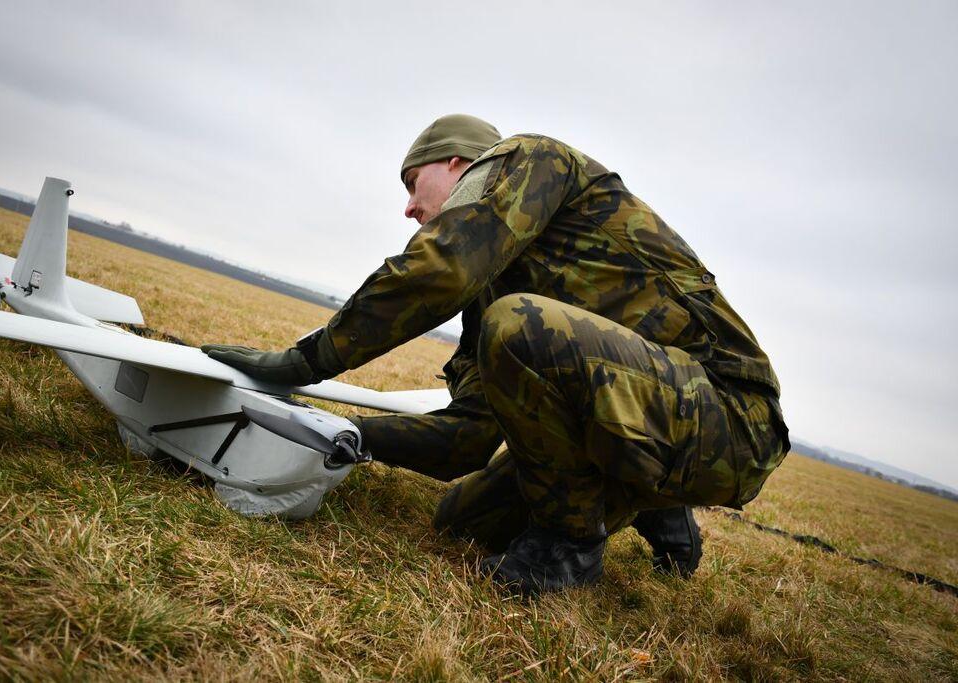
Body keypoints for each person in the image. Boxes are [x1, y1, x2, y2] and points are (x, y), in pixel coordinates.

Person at [202, 114, 790, 593]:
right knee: (462, 521)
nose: (408, 208)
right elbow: (467, 436)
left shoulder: (532, 158)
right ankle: (642, 488)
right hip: (646, 406)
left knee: (518, 325)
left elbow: (440, 268)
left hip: (730, 416)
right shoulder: (497, 296)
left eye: (413, 183)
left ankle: (571, 547)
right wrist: (339, 432)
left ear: (460, 164)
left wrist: (305, 362)